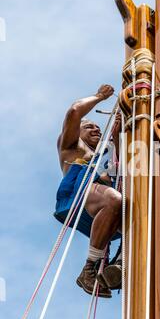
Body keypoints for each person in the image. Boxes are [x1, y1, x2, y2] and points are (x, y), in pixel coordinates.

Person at [54, 84, 122, 298]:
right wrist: (100, 96)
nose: (96, 129)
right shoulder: (72, 147)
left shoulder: (103, 160)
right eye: (89, 127)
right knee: (113, 198)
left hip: (103, 210)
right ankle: (89, 268)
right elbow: (74, 112)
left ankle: (120, 262)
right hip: (78, 198)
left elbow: (122, 171)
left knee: (139, 208)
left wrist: (118, 136)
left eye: (98, 128)